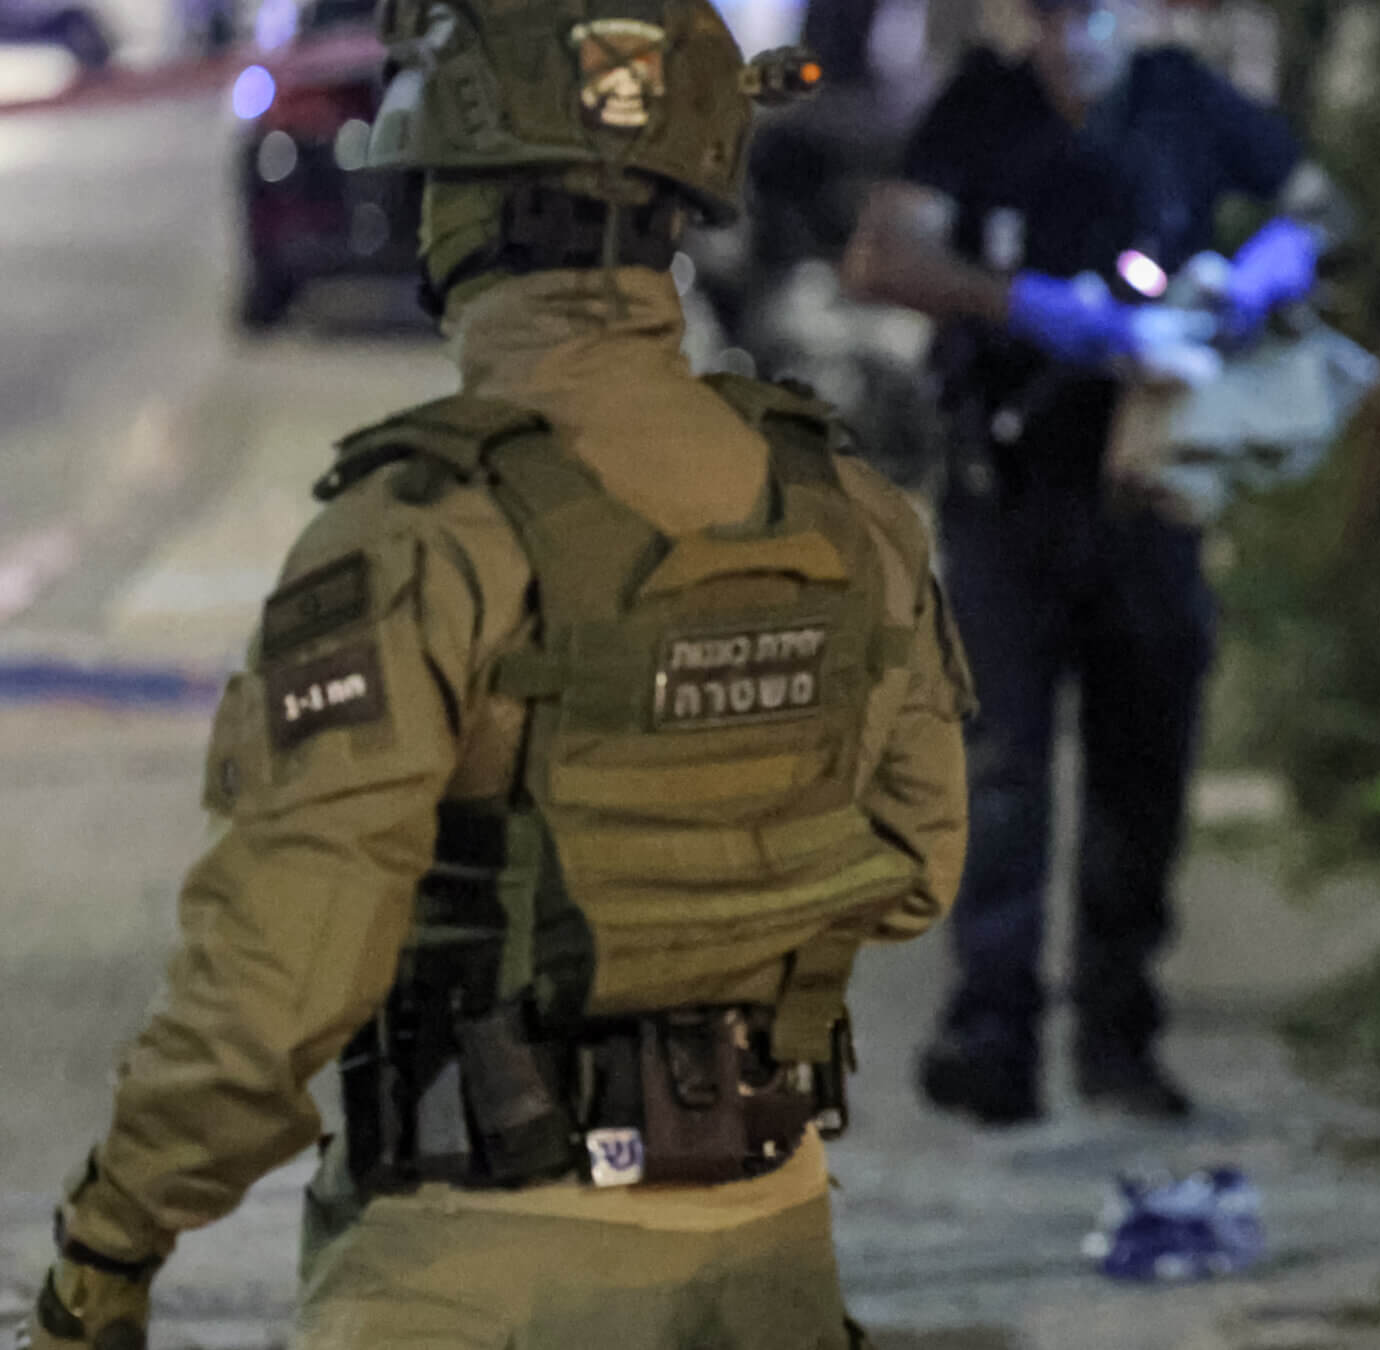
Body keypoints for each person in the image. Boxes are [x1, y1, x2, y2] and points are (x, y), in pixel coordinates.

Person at [14, 4, 970, 1347]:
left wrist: (106, 1249)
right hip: (768, 1246)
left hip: (476, 1268)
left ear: (454, 207)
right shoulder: (844, 510)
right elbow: (919, 866)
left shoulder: (419, 533)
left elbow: (279, 978)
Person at [842, 0, 1346, 1124]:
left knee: (1142, 766)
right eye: (1054, 14)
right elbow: (885, 251)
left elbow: (1313, 210)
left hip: (1148, 496)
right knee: (1004, 769)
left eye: (1094, 11)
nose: (1074, 35)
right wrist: (1022, 304)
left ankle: (1118, 1037)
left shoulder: (1184, 105)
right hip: (1007, 493)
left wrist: (1252, 279)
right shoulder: (985, 110)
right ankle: (992, 1038)